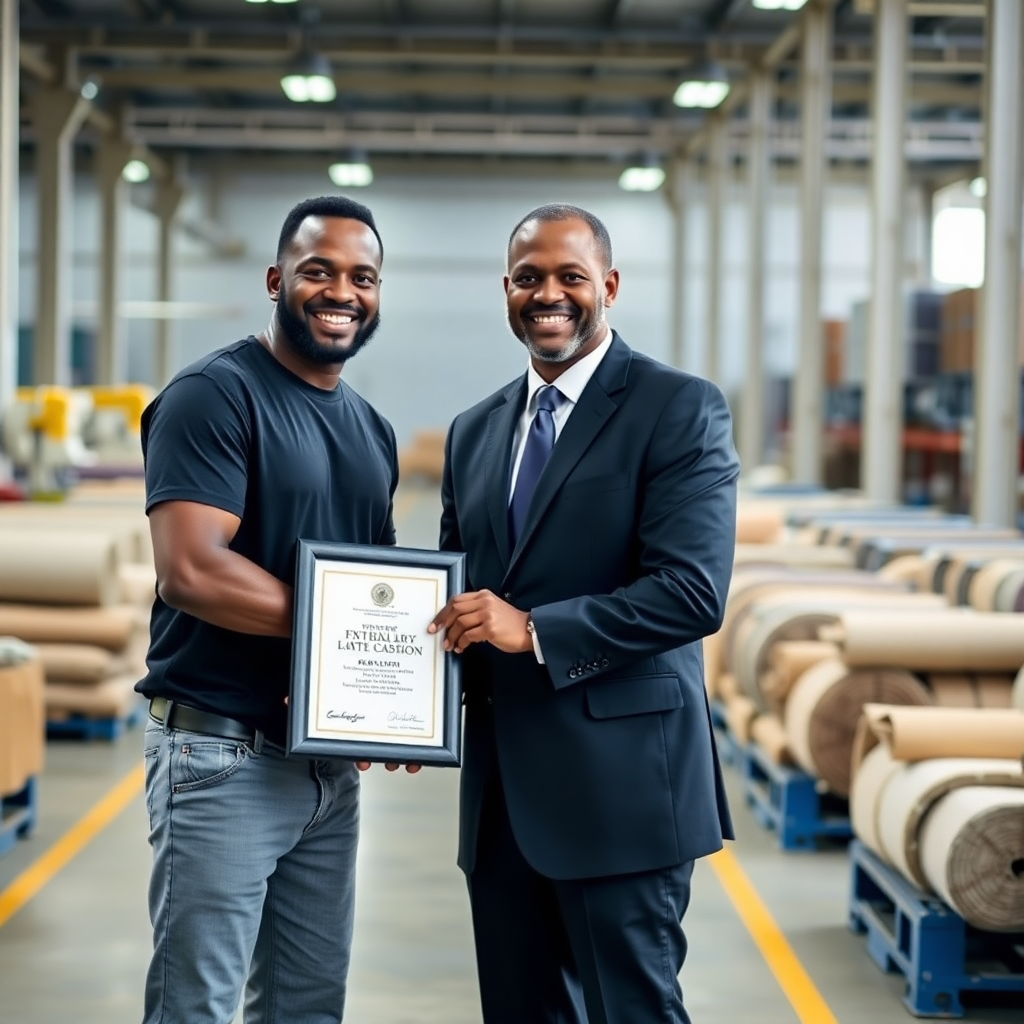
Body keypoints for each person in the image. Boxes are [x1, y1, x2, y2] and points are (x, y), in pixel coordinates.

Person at [429, 203, 739, 1024]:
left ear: (608, 285)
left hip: (623, 790)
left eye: (571, 276)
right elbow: (457, 600)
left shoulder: (678, 408)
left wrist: (533, 629)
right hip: (501, 804)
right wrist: (375, 709)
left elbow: (691, 592)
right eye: (529, 277)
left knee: (631, 1010)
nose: (549, 294)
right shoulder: (474, 431)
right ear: (506, 290)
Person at [136, 194, 412, 1024]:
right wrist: (348, 639)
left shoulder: (371, 429)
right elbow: (191, 569)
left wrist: (384, 704)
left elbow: (377, 587)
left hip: (325, 767)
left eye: (362, 277)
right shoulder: (215, 397)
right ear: (275, 279)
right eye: (318, 270)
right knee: (200, 1009)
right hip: (222, 758)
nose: (342, 292)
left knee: (306, 1008)